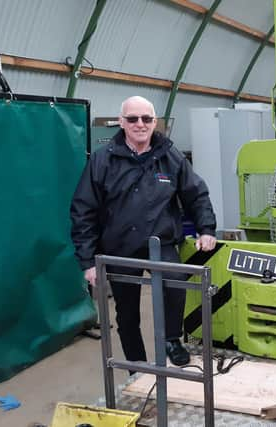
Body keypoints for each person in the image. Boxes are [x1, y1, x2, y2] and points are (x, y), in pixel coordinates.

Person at [70, 96, 217, 368]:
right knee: (126, 313)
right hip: (119, 247)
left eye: (147, 119)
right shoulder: (103, 161)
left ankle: (172, 339)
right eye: (133, 119)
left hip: (160, 243)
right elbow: (83, 211)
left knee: (175, 281)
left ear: (155, 122)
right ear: (122, 122)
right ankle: (136, 365)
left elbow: (195, 194)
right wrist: (88, 261)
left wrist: (206, 229)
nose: (140, 124)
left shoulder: (170, 157)